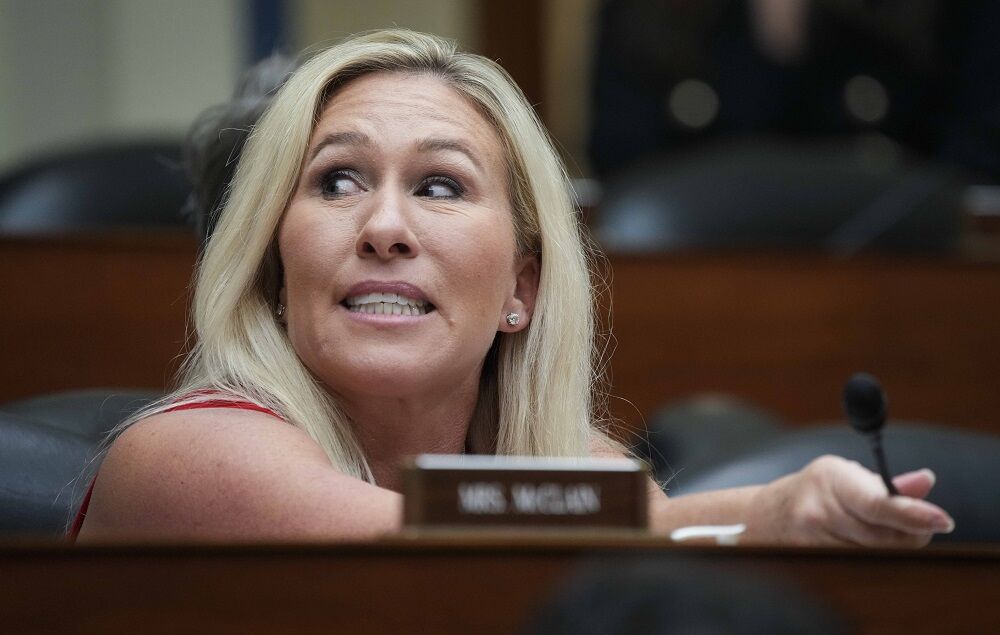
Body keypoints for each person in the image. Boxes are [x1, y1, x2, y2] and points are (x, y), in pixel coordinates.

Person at [73, 29, 953, 545]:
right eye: (337, 181)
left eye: (440, 185)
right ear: (273, 266)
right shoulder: (189, 458)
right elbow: (425, 546)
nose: (383, 226)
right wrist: (765, 511)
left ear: (519, 289)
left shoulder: (578, 469)